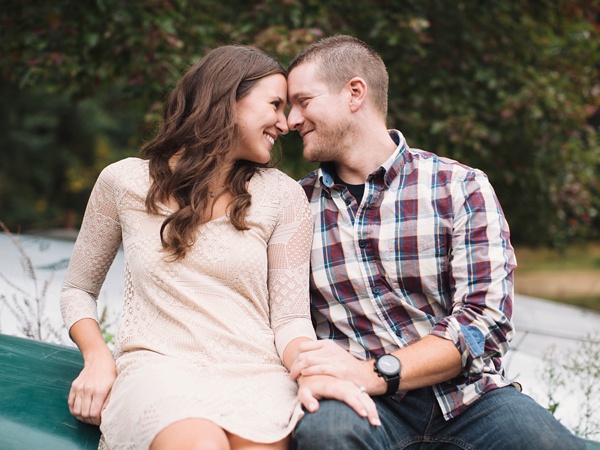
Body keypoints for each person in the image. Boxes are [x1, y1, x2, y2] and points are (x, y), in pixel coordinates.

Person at [60, 45, 374, 450]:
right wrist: (97, 357)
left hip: (257, 377)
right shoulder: (123, 183)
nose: (285, 123)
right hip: (158, 371)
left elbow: (290, 319)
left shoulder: (282, 196)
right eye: (275, 105)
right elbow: (77, 290)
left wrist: (309, 369)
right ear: (228, 98)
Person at [286, 35, 585, 449]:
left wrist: (377, 372)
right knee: (326, 436)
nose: (290, 119)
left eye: (303, 101)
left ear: (355, 93)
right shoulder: (294, 206)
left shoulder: (459, 186)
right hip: (358, 403)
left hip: (468, 400)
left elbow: (485, 320)